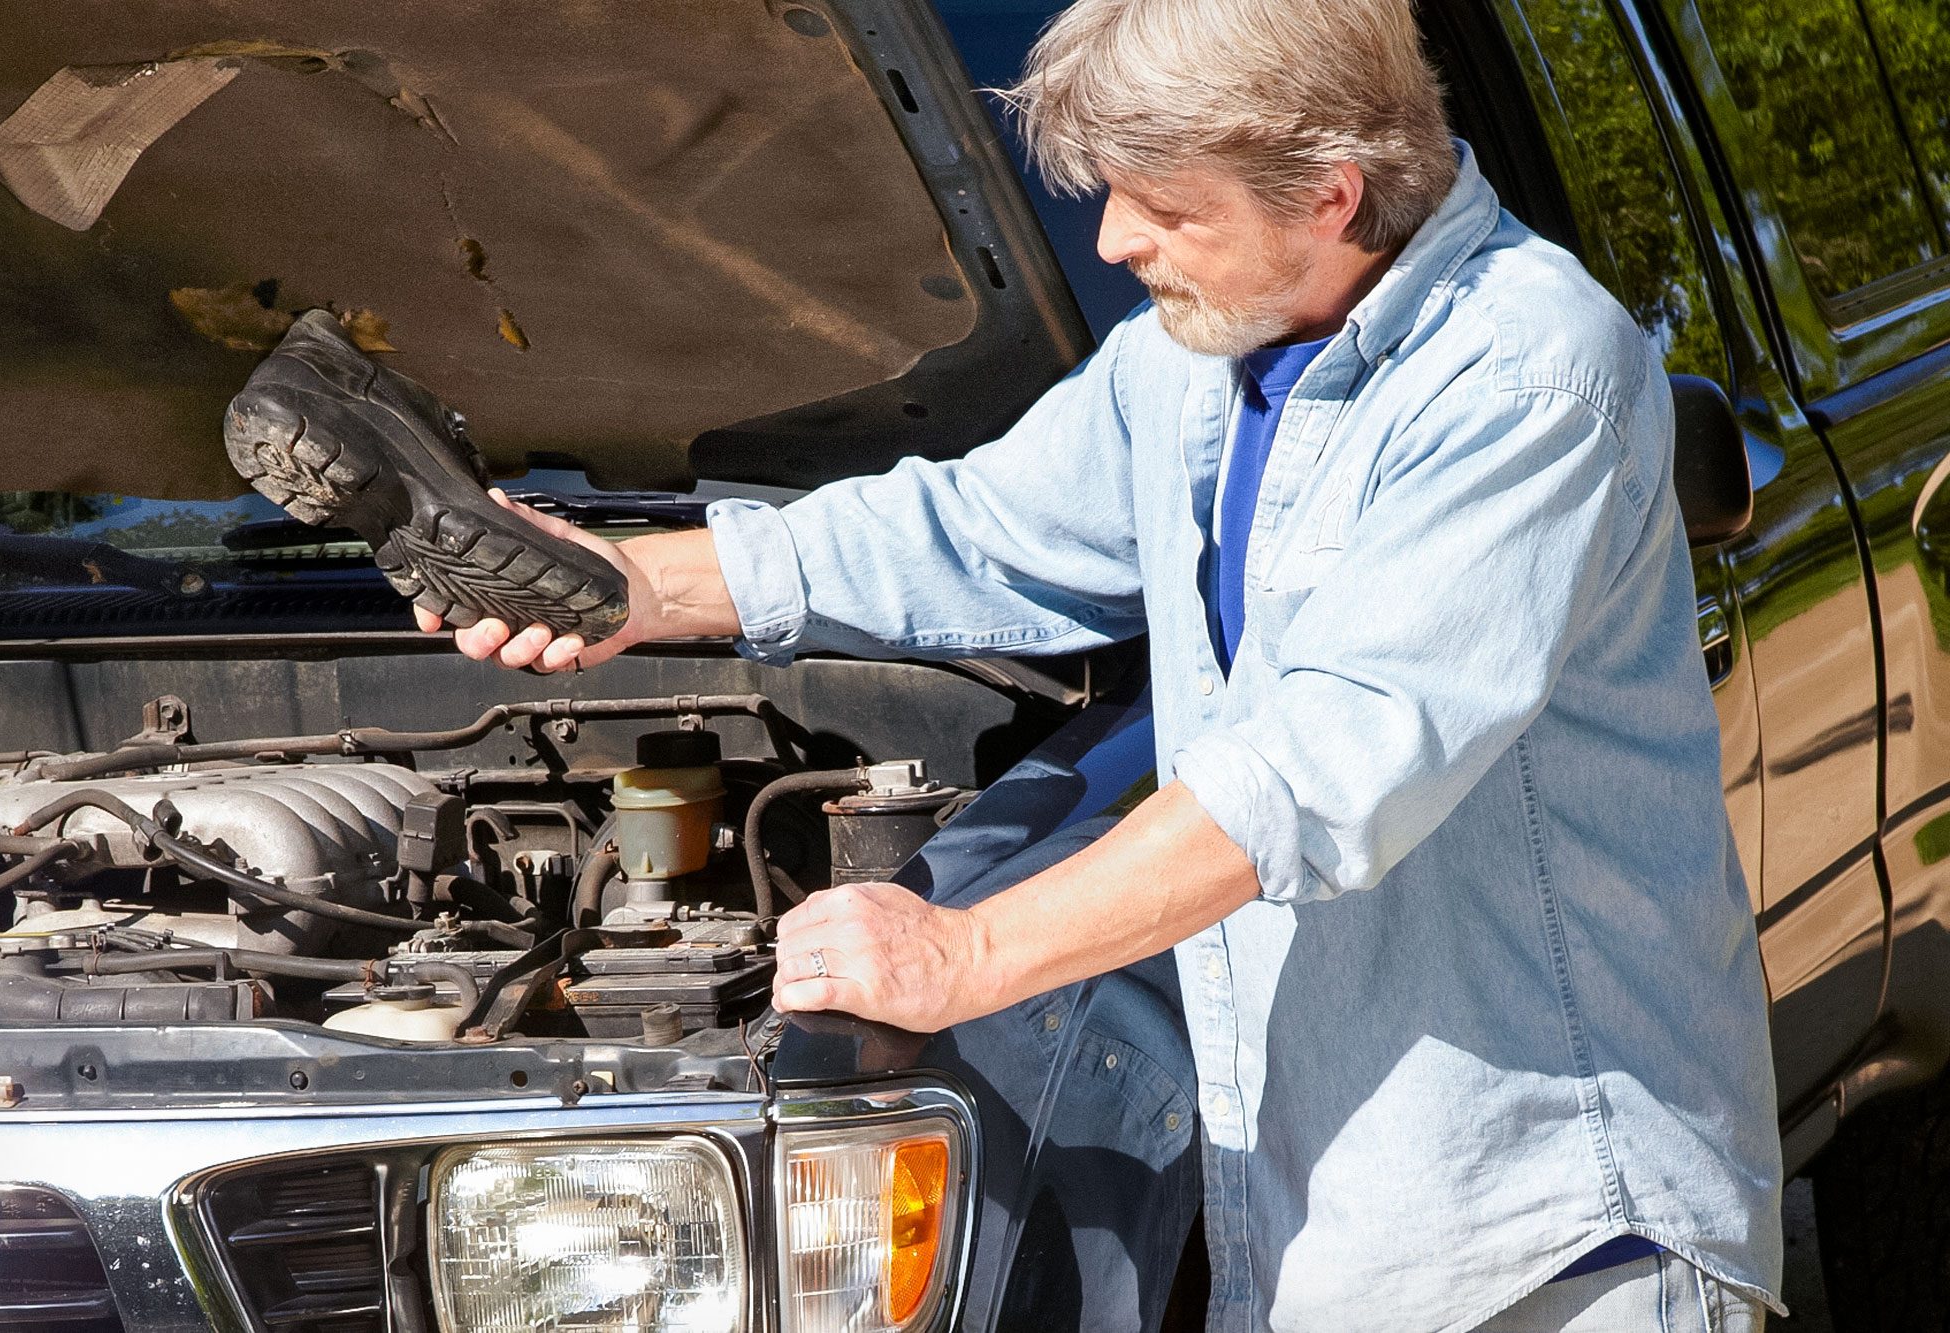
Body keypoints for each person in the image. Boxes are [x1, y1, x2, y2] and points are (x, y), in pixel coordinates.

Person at [414, 0, 1784, 1326]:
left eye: (1166, 204)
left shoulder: (1524, 377)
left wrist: (963, 953)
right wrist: (644, 581)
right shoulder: (1198, 358)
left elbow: (1313, 772)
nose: (1120, 238)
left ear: (1332, 195)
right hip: (1325, 1219)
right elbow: (977, 530)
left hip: (1543, 1231)